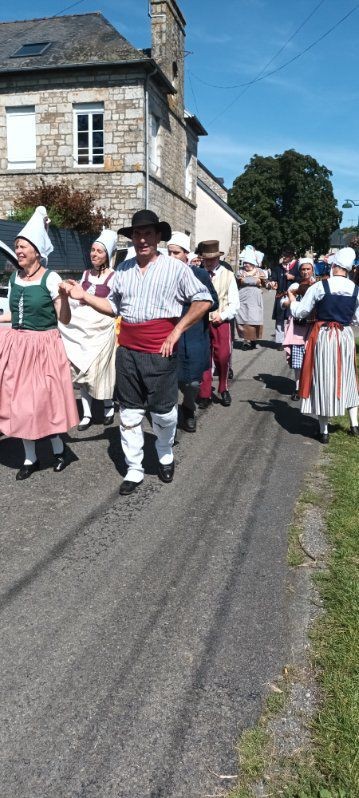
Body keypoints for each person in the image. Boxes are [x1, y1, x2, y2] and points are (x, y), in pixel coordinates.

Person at [63, 210, 212, 495]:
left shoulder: (176, 268)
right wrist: (84, 297)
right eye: (137, 234)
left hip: (161, 351)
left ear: (157, 237)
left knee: (164, 413)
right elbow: (113, 307)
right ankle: (134, 468)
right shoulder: (124, 270)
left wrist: (177, 330)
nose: (142, 239)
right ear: (132, 238)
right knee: (130, 413)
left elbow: (203, 300)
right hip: (128, 352)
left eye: (148, 233)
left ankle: (165, 452)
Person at [0, 206, 79, 479]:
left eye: (22, 246)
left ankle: (59, 449)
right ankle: (30, 458)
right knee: (20, 405)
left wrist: (65, 298)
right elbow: (16, 313)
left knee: (41, 404)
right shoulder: (14, 278)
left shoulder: (50, 278)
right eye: (16, 246)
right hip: (17, 346)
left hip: (43, 347)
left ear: (36, 250)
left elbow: (64, 319)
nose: (18, 250)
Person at [288, 247, 359, 443]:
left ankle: (324, 431)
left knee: (323, 378)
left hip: (325, 335)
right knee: (348, 377)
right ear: (349, 269)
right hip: (344, 336)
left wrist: (292, 300)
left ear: (334, 265)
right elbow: (357, 319)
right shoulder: (355, 289)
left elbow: (301, 312)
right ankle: (354, 425)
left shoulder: (321, 287)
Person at [59, 229, 118, 431]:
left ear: (108, 255)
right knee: (81, 370)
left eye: (99, 251)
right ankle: (87, 413)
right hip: (83, 330)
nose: (93, 254)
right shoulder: (85, 274)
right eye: (92, 250)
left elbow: (113, 305)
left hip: (102, 330)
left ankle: (108, 406)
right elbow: (79, 300)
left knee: (101, 371)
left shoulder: (114, 277)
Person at [167, 232, 218, 432]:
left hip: (195, 335)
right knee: (170, 378)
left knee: (193, 382)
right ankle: (169, 417)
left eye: (176, 253)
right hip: (169, 334)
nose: (172, 257)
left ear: (186, 254)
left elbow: (214, 302)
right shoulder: (161, 274)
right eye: (169, 252)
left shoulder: (200, 274)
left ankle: (188, 407)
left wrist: (193, 300)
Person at [197, 240, 240, 408]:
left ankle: (223, 387)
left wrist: (222, 316)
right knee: (203, 358)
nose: (208, 262)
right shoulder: (197, 273)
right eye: (206, 259)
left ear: (218, 258)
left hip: (220, 321)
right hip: (201, 321)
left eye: (212, 259)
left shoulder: (228, 275)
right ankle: (205, 393)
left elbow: (234, 303)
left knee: (222, 356)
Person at [281, 257, 316, 400]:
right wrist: (289, 301)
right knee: (297, 361)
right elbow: (283, 302)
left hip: (312, 326)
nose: (305, 272)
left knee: (312, 357)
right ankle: (297, 387)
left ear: (312, 270)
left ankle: (311, 386)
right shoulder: (294, 286)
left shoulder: (318, 285)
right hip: (297, 327)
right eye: (303, 269)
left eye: (308, 269)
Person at [236, 248, 267, 349]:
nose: (245, 265)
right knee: (243, 317)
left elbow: (265, 283)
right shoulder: (240, 272)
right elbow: (238, 282)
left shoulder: (260, 272)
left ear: (253, 263)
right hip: (243, 296)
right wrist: (254, 280)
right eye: (244, 263)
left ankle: (253, 339)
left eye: (247, 263)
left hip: (255, 297)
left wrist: (270, 284)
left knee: (254, 318)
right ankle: (245, 340)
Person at [268, 248, 297, 347]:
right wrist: (273, 283)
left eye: (286, 255)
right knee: (280, 319)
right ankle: (280, 341)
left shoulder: (297, 266)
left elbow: (302, 279)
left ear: (291, 256)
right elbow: (273, 278)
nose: (284, 257)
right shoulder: (278, 268)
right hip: (280, 295)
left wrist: (293, 277)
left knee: (291, 318)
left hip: (294, 296)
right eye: (283, 255)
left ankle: (290, 340)